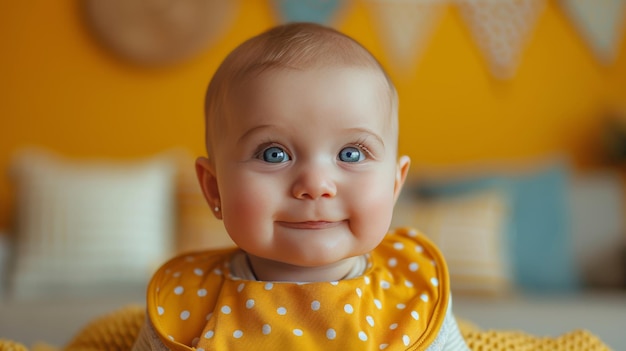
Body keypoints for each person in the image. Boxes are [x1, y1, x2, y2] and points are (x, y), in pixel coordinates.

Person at [132, 22, 469, 351]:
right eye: (274, 154)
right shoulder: (186, 303)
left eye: (351, 153)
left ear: (395, 184)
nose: (316, 185)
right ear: (214, 189)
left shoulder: (412, 296)